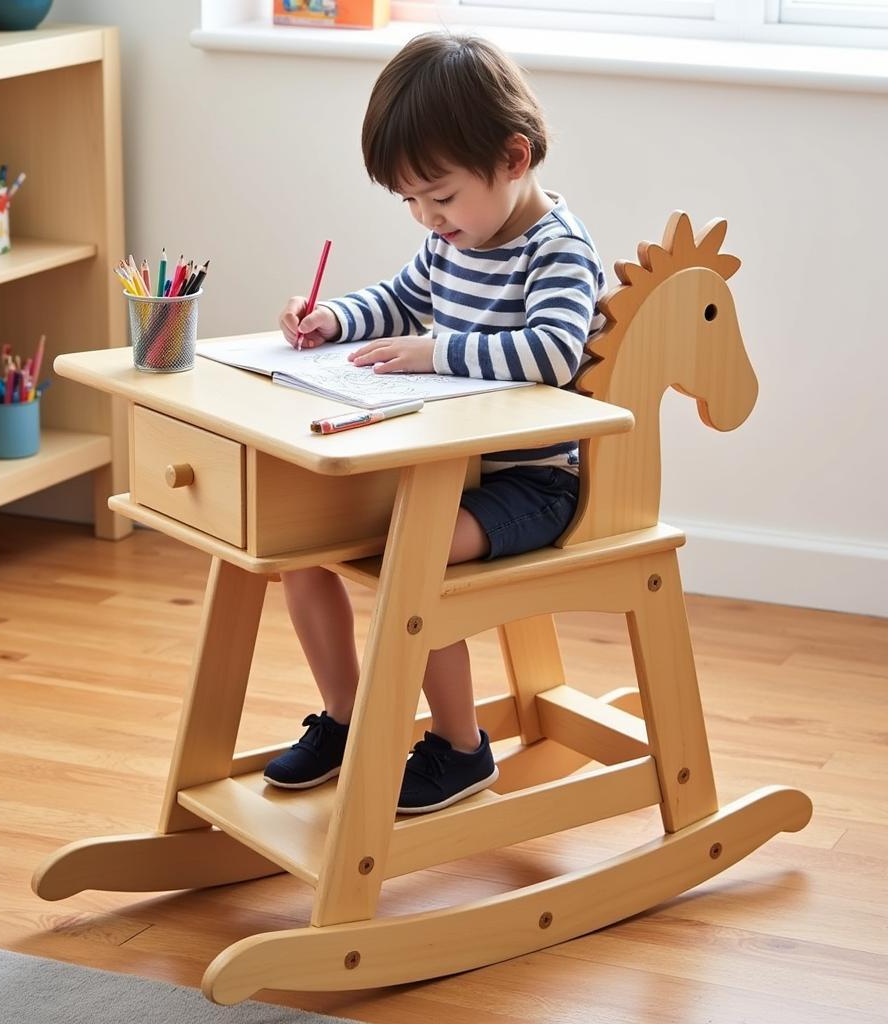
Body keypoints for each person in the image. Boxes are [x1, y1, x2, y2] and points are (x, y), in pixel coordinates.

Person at [264, 31, 607, 814]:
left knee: (406, 558)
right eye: (410, 201)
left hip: (530, 484)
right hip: (445, 471)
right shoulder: (453, 242)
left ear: (514, 159)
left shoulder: (554, 250)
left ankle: (460, 748)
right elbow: (393, 298)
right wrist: (329, 318)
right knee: (300, 545)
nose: (427, 217)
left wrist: (436, 351)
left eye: (441, 197)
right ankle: (348, 717)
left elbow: (554, 351)